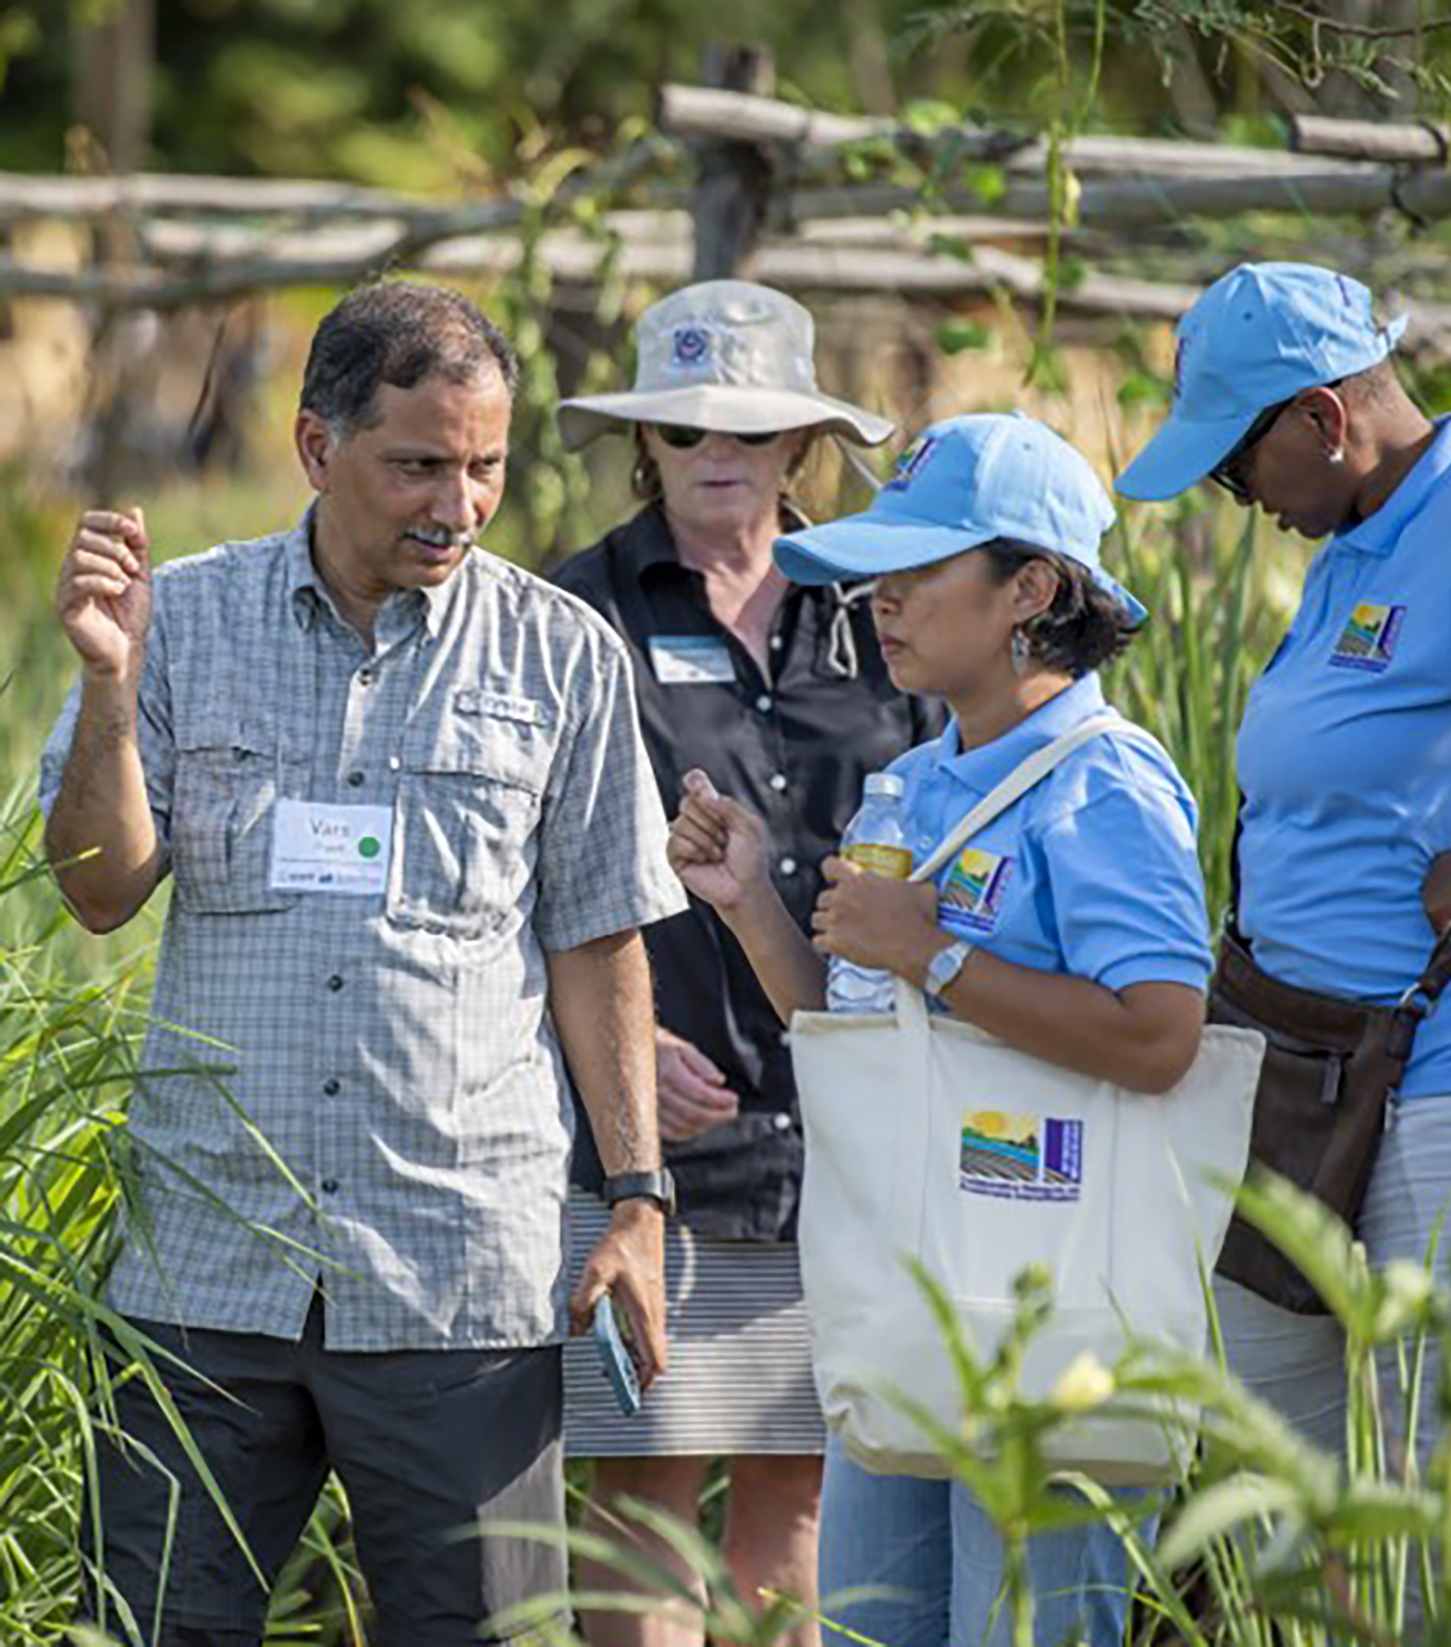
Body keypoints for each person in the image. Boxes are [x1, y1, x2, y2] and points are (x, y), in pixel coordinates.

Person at [41, 280, 686, 1647]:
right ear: (317, 446)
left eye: (484, 466)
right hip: (207, 1267)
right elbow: (99, 893)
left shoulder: (560, 653)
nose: (456, 502)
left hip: (457, 1273)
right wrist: (107, 684)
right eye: (417, 465)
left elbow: (596, 938)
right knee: (153, 1624)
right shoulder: (180, 624)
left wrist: (635, 1194)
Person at [1117, 260, 1451, 1644]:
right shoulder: (1363, 537)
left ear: (1320, 417)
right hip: (1329, 1071)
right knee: (1260, 1499)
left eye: (1236, 467)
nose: (1240, 501)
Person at [667, 411, 1213, 1647]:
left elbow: (1162, 1037)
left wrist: (940, 951)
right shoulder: (916, 782)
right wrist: (753, 901)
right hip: (912, 1304)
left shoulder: (1106, 786)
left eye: (919, 569)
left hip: (1055, 1321)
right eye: (878, 570)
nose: (879, 598)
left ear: (1032, 586)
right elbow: (860, 1036)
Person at [548, 279, 943, 1647]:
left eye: (752, 428)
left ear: (799, 444)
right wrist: (606, 1048)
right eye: (683, 426)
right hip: (654, 1135)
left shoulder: (879, 613)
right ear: (642, 442)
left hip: (847, 1120)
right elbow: (510, 871)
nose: (718, 451)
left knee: (799, 1489)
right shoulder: (572, 613)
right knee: (640, 1490)